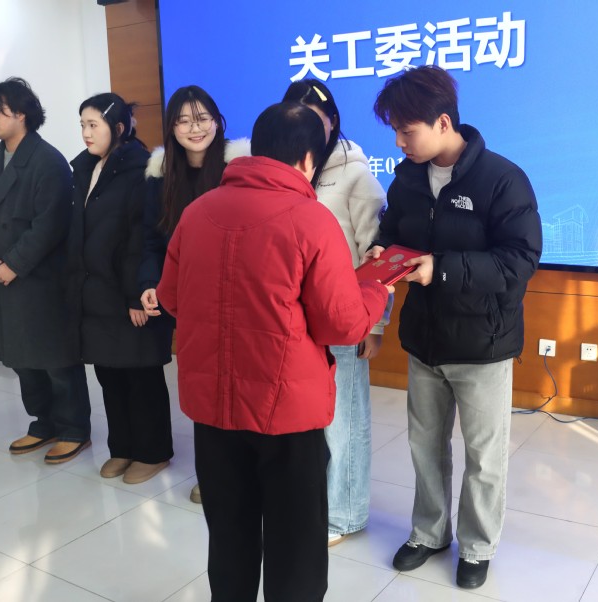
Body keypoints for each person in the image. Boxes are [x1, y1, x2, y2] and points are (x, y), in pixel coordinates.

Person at [145, 101, 391, 601]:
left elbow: (170, 297)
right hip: (287, 414)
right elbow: (342, 324)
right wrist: (375, 291)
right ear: (308, 160)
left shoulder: (197, 213)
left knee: (229, 535)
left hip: (213, 410)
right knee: (296, 544)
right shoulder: (311, 219)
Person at [370, 65, 542, 589]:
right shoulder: (408, 178)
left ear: (443, 122)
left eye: (407, 131)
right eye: (395, 132)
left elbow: (520, 260)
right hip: (424, 339)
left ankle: (477, 545)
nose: (399, 143)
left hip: (481, 343)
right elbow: (393, 230)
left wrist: (440, 268)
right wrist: (381, 251)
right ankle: (429, 533)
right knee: (425, 447)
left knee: (484, 456)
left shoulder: (502, 179)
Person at [282, 78, 391, 546]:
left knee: (344, 419)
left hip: (343, 313)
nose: (306, 125)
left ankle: (344, 513)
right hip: (296, 319)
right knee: (308, 418)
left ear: (332, 121)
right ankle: (316, 501)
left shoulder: (354, 172)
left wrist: (375, 322)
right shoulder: (286, 167)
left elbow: (376, 252)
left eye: (316, 117)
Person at [138, 85, 248, 501]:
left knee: (239, 386)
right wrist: (149, 283)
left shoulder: (240, 168)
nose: (193, 128)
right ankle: (214, 473)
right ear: (171, 128)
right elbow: (152, 240)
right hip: (191, 303)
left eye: (201, 118)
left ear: (217, 121)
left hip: (239, 298)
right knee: (205, 390)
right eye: (182, 120)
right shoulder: (160, 176)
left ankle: (244, 471)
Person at [67, 93, 172, 484]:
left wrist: (136, 295)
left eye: (93, 125)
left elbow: (140, 237)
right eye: (82, 124)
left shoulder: (141, 168)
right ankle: (123, 448)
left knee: (141, 375)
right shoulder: (86, 167)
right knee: (110, 375)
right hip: (96, 291)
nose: (86, 132)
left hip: (130, 293)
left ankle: (153, 451)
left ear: (119, 128)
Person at [0, 77, 91, 464]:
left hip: (40, 279)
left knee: (54, 359)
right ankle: (43, 422)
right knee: (20, 357)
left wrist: (14, 264)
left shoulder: (48, 161)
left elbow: (50, 224)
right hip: (0, 278)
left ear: (22, 113)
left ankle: (74, 428)